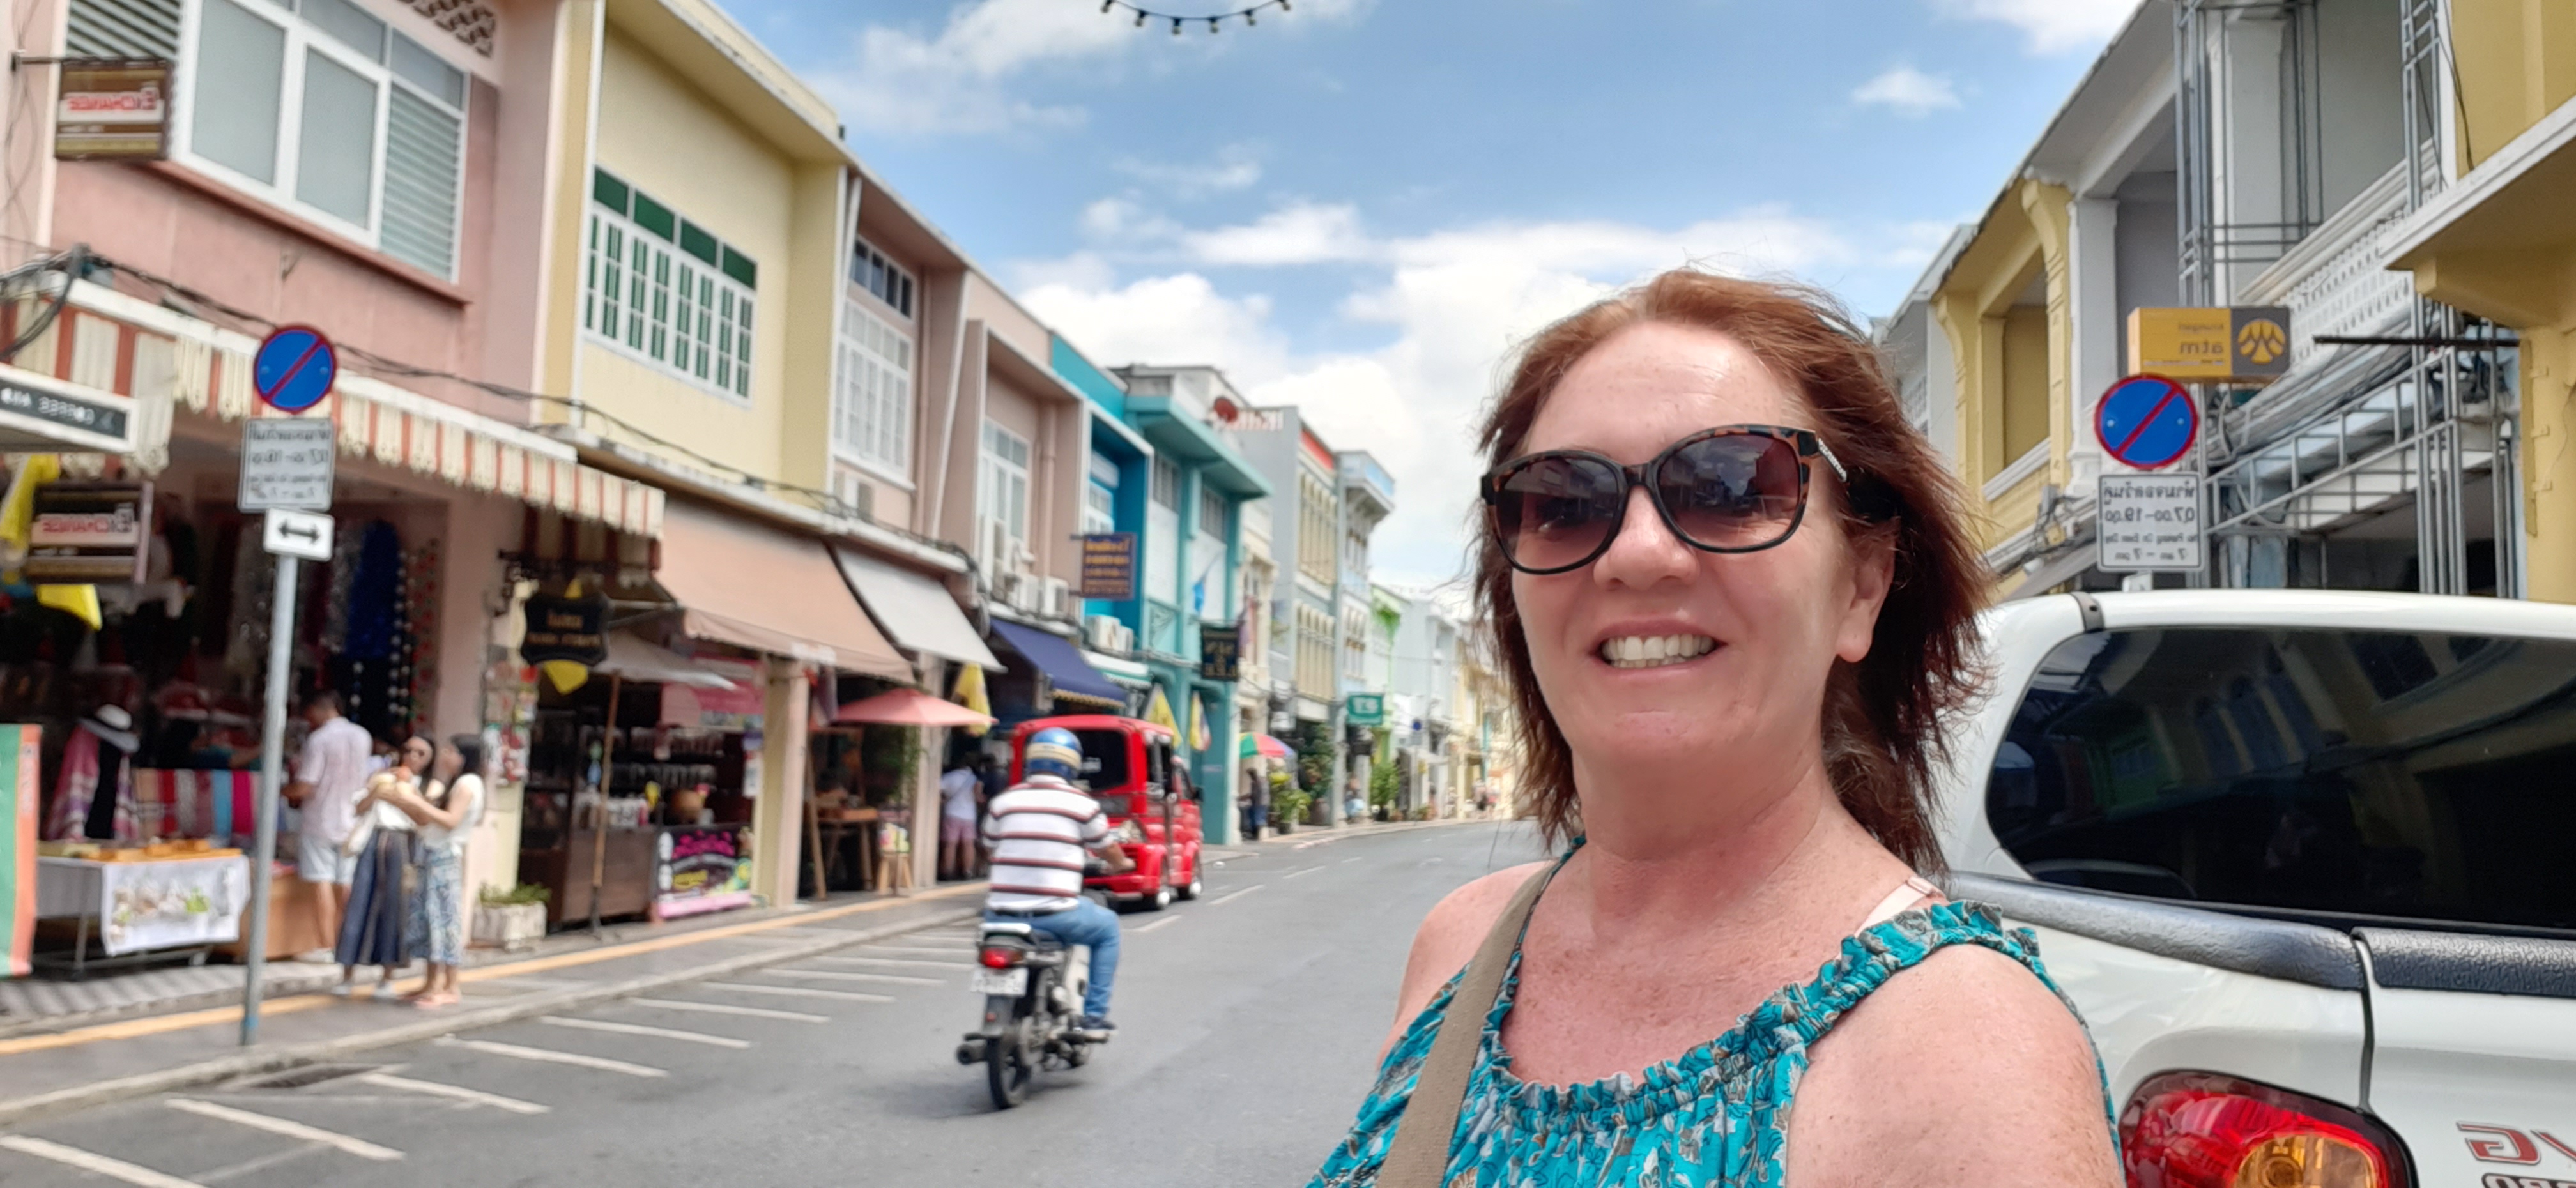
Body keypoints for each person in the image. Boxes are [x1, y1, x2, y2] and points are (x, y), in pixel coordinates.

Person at [1307, 271, 2117, 1187]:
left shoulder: (1969, 1062)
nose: (1637, 552)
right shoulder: (1463, 945)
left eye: (1731, 487)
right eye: (1563, 503)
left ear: (1862, 584)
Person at [982, 727, 1132, 1038]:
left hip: (998, 917)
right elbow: (1107, 848)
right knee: (1107, 929)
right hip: (1054, 916)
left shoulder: (1003, 802)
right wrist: (1122, 864)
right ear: (1072, 764)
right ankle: (1094, 1017)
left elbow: (989, 847)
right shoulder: (1081, 804)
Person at [379, 734, 486, 1009]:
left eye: (451, 751)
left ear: (464, 757)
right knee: (429, 919)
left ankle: (450, 986)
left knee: (444, 919)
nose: (445, 756)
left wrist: (415, 802)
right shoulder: (456, 783)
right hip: (432, 855)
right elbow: (429, 820)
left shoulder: (468, 783)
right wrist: (407, 798)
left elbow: (451, 820)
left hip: (445, 858)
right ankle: (431, 983)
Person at [330, 734, 430, 998]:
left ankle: (387, 977)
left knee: (396, 909)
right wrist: (378, 791)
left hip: (402, 843)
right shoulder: (381, 777)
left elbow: (423, 819)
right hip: (374, 840)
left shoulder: (423, 787)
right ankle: (347, 975)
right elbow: (359, 808)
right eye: (409, 750)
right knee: (359, 904)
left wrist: (405, 794)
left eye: (421, 753)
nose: (412, 756)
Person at [283, 690, 372, 961]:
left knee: (321, 880)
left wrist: (281, 791)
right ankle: (348, 942)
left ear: (319, 709)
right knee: (345, 883)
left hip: (321, 819)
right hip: (352, 820)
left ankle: (325, 945)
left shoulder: (320, 739)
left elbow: (306, 786)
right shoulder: (362, 736)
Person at [939, 756, 983, 880]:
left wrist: (944, 800)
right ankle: (968, 871)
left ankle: (947, 871)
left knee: (950, 844)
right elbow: (978, 797)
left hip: (952, 813)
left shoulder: (948, 777)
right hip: (969, 816)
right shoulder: (974, 778)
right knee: (968, 844)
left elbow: (939, 792)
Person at [1243, 766, 1269, 841]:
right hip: (1264, 802)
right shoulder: (1263, 780)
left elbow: (1255, 794)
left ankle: (1256, 835)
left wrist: (1244, 798)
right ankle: (1256, 834)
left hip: (1259, 802)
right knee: (1257, 817)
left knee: (1257, 818)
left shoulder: (1256, 782)